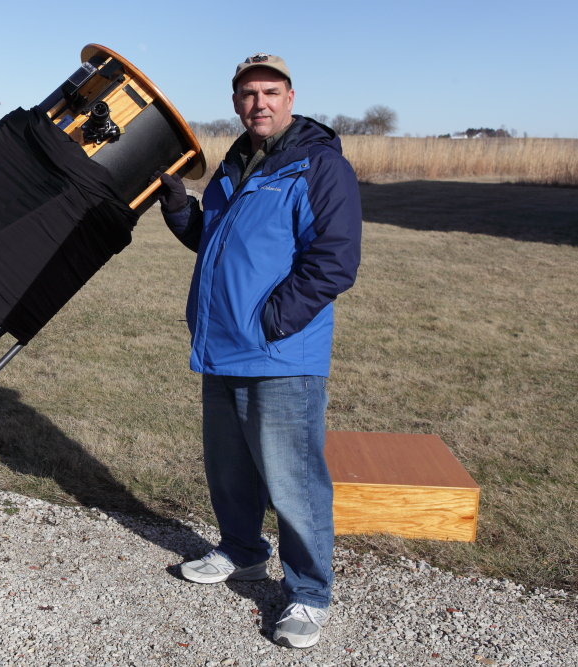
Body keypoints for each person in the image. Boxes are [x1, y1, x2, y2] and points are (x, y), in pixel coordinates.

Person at [155, 53, 362, 649]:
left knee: (294, 479)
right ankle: (242, 551)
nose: (259, 103)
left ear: (291, 97)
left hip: (278, 353)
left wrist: (272, 322)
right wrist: (176, 207)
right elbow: (210, 240)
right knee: (230, 469)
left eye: (270, 92)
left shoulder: (319, 167)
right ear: (236, 102)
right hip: (220, 346)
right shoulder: (235, 165)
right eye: (248, 94)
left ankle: (308, 593)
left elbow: (334, 262)